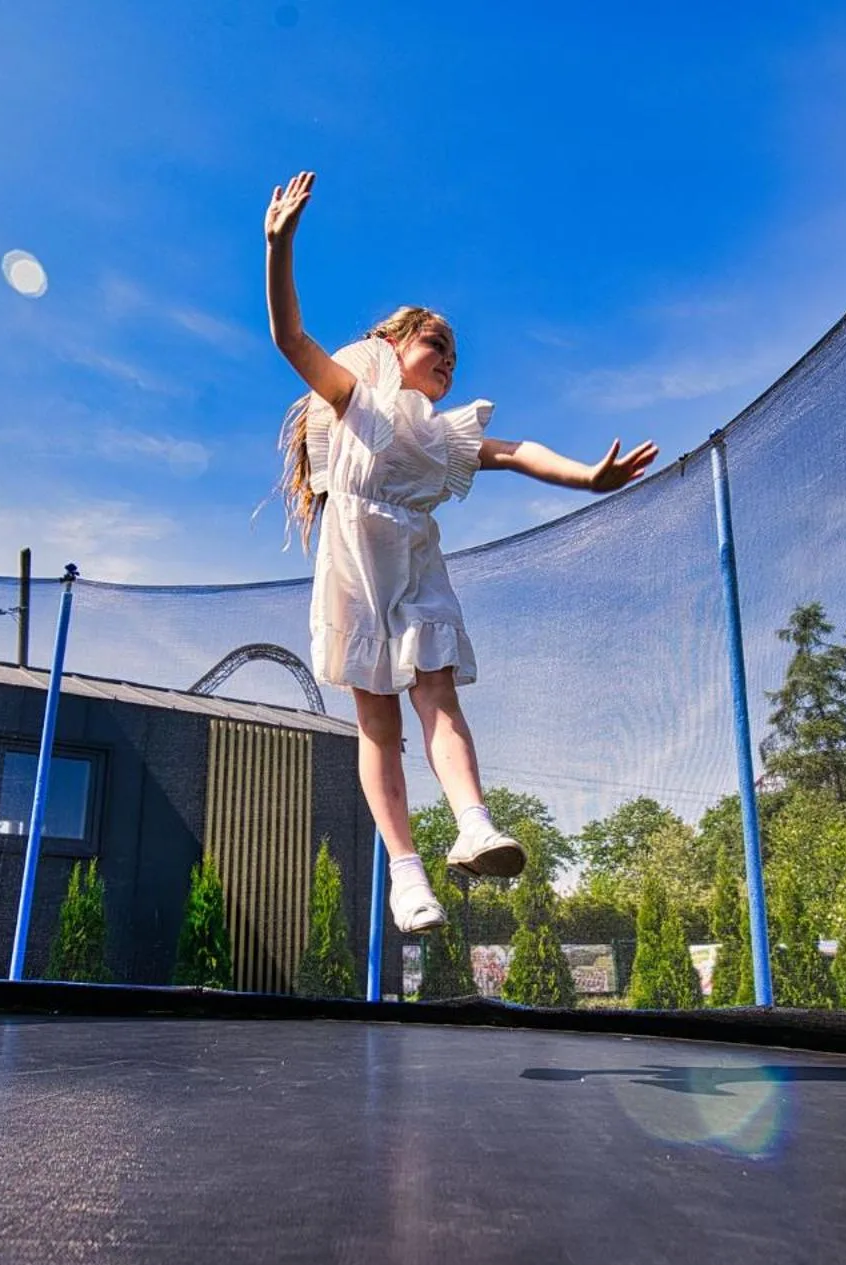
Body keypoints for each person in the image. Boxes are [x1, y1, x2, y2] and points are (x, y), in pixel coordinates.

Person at [264, 170, 659, 932]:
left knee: (438, 696)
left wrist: (588, 476)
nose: (449, 356)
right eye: (435, 342)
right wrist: (279, 248)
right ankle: (406, 874)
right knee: (379, 723)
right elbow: (290, 336)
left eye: (454, 351)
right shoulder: (355, 397)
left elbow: (514, 453)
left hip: (415, 564)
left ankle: (474, 823)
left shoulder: (445, 436)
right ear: (394, 346)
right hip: (353, 563)